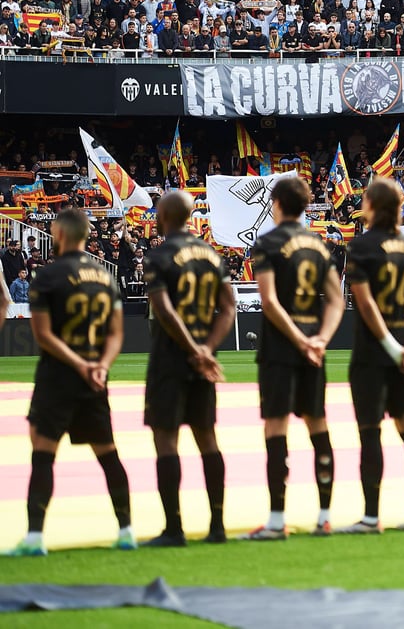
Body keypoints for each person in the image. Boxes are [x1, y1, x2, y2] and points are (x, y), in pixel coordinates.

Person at [8, 209, 131, 557]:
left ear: (59, 234)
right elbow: (116, 332)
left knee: (43, 454)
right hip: (95, 377)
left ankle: (34, 538)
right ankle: (126, 531)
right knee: (108, 453)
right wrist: (100, 365)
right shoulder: (105, 276)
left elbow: (43, 335)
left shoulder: (47, 276)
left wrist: (77, 363)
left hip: (58, 377)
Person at [242, 177, 346, 539]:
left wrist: (301, 341)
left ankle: (275, 521)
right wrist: (319, 339)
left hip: (280, 349)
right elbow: (337, 300)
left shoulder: (267, 243)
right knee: (318, 425)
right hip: (313, 350)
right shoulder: (318, 245)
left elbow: (269, 302)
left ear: (277, 204)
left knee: (276, 428)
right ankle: (325, 516)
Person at [142, 191, 236, 547]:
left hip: (170, 358)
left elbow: (164, 311)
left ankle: (174, 529)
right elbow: (229, 308)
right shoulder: (212, 255)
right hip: (202, 361)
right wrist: (207, 350)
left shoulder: (160, 256)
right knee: (207, 437)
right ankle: (217, 527)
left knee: (166, 438)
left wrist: (192, 350)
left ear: (163, 214)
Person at [338, 177, 404, 534]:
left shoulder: (360, 246)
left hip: (373, 355)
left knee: (370, 433)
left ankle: (372, 517)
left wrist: (392, 348)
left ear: (372, 207)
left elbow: (364, 302)